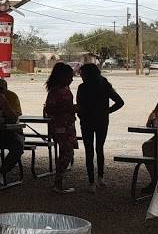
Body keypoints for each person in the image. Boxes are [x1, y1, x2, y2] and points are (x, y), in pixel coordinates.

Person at [76, 63, 125, 192]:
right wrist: (106, 111)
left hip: (86, 122)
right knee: (99, 149)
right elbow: (120, 102)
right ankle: (100, 178)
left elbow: (79, 106)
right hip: (102, 121)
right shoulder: (104, 85)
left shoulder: (82, 87)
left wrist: (81, 116)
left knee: (89, 151)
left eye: (82, 73)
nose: (80, 76)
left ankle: (91, 182)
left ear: (86, 74)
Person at [43, 62, 77, 194]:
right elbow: (50, 109)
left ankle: (59, 182)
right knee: (66, 153)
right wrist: (70, 108)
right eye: (70, 76)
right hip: (61, 126)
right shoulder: (57, 91)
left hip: (67, 125)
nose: (72, 79)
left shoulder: (62, 89)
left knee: (66, 152)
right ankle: (58, 183)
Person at [0, 78, 24, 175]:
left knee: (18, 146)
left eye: (1, 89)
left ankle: (2, 171)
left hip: (11, 131)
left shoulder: (11, 96)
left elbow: (13, 119)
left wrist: (4, 102)